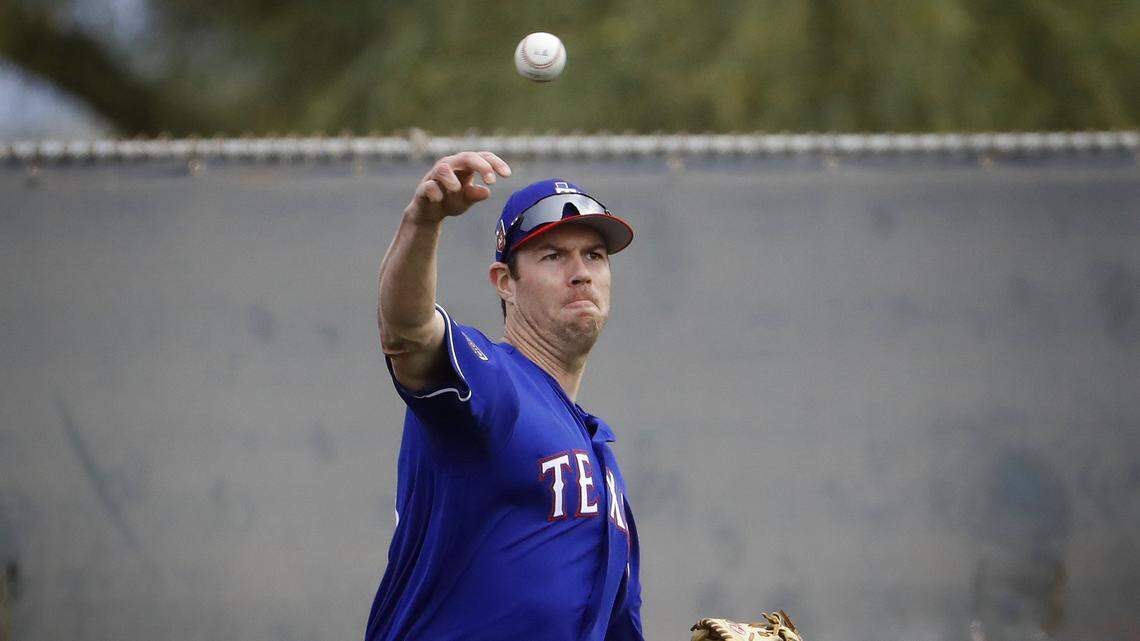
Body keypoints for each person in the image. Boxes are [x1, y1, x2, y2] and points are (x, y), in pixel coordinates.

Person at [366, 151, 643, 641]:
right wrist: (423, 221)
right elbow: (407, 333)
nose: (580, 272)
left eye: (594, 256)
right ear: (505, 284)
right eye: (553, 256)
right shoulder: (494, 384)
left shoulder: (604, 468)